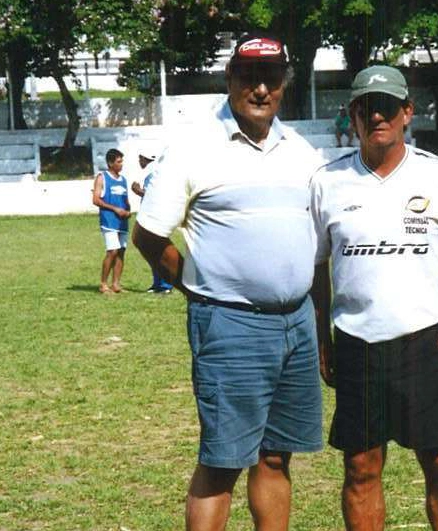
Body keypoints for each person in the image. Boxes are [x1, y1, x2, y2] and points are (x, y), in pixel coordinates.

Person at [310, 65, 438, 531]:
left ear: (407, 112)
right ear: (353, 115)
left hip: (426, 343)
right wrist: (322, 336)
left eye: (386, 106)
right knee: (361, 469)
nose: (376, 115)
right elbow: (316, 266)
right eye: (366, 106)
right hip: (357, 344)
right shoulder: (327, 183)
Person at [132, 32, 323, 531]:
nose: (261, 89)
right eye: (249, 77)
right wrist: (194, 287)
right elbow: (148, 236)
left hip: (297, 324)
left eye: (271, 78)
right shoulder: (196, 148)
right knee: (222, 463)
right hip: (230, 325)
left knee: (276, 457)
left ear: (285, 82)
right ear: (230, 80)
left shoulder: (302, 151)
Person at [131, 148, 173, 294]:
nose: (139, 162)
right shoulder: (149, 170)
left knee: (157, 250)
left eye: (140, 158)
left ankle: (166, 284)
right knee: (152, 251)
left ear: (145, 158)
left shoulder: (153, 170)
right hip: (149, 214)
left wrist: (140, 191)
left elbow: (152, 192)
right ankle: (157, 283)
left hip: (156, 215)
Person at [92, 148, 131, 294]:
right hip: (109, 221)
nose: (121, 164)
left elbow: (125, 200)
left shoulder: (123, 180)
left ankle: (116, 284)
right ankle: (103, 284)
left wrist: (127, 210)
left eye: (122, 161)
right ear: (110, 163)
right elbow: (96, 199)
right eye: (118, 162)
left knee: (121, 251)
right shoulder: (102, 178)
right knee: (112, 251)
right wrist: (115, 209)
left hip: (122, 221)